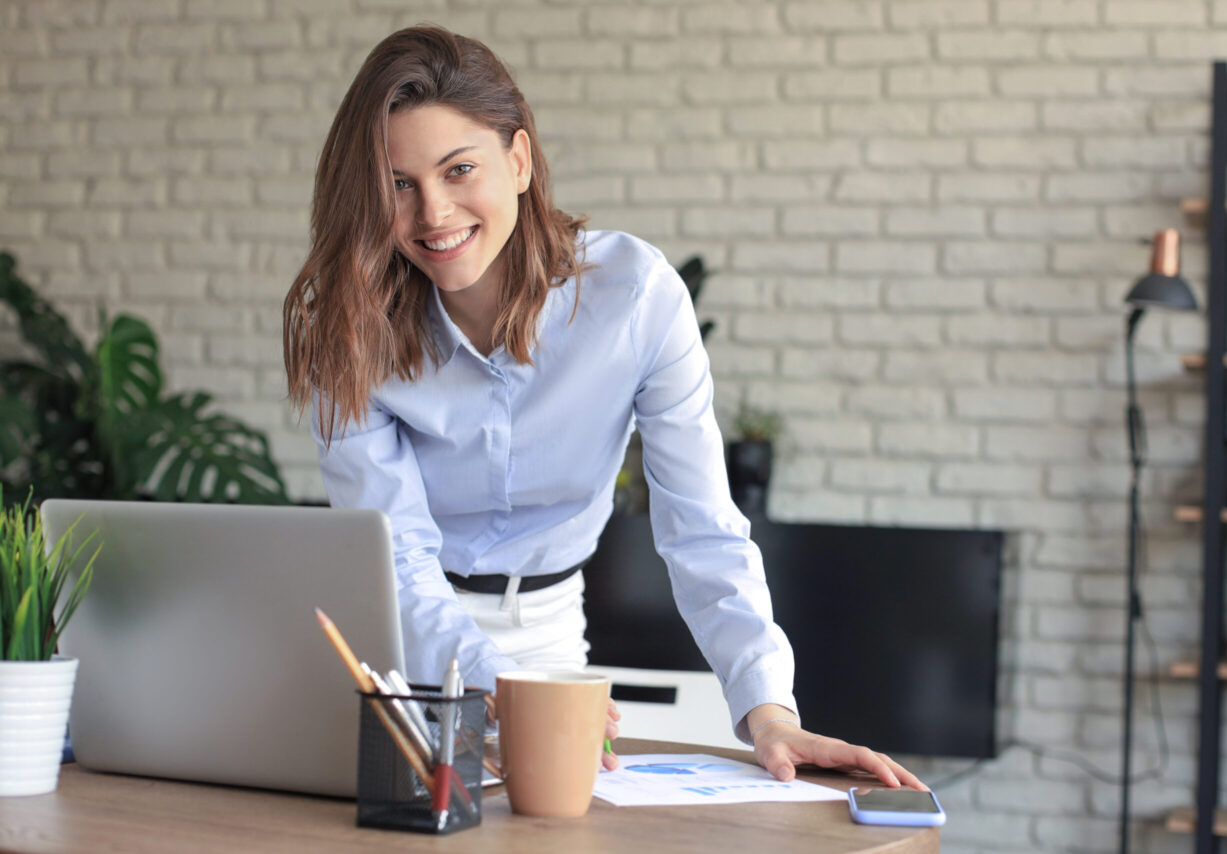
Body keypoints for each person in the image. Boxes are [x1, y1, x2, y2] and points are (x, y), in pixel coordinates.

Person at [283, 24, 925, 790]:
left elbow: (702, 529)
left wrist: (768, 710)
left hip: (551, 630)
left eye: (459, 170)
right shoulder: (353, 326)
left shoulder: (635, 298)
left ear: (518, 160)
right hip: (396, 636)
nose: (433, 213)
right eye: (398, 184)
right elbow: (402, 559)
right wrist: (490, 682)